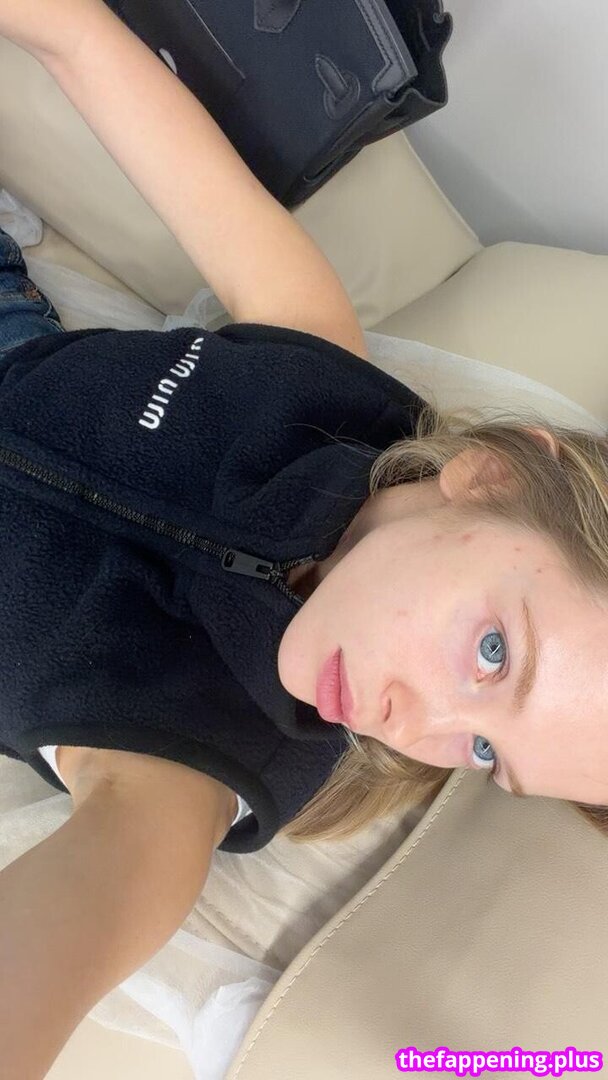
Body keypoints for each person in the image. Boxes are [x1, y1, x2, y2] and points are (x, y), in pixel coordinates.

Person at [0, 1, 607, 1074]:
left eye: (482, 753)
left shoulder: (194, 774)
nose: (407, 723)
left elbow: (59, 942)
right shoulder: (318, 368)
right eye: (491, 655)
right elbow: (80, 41)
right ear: (492, 476)